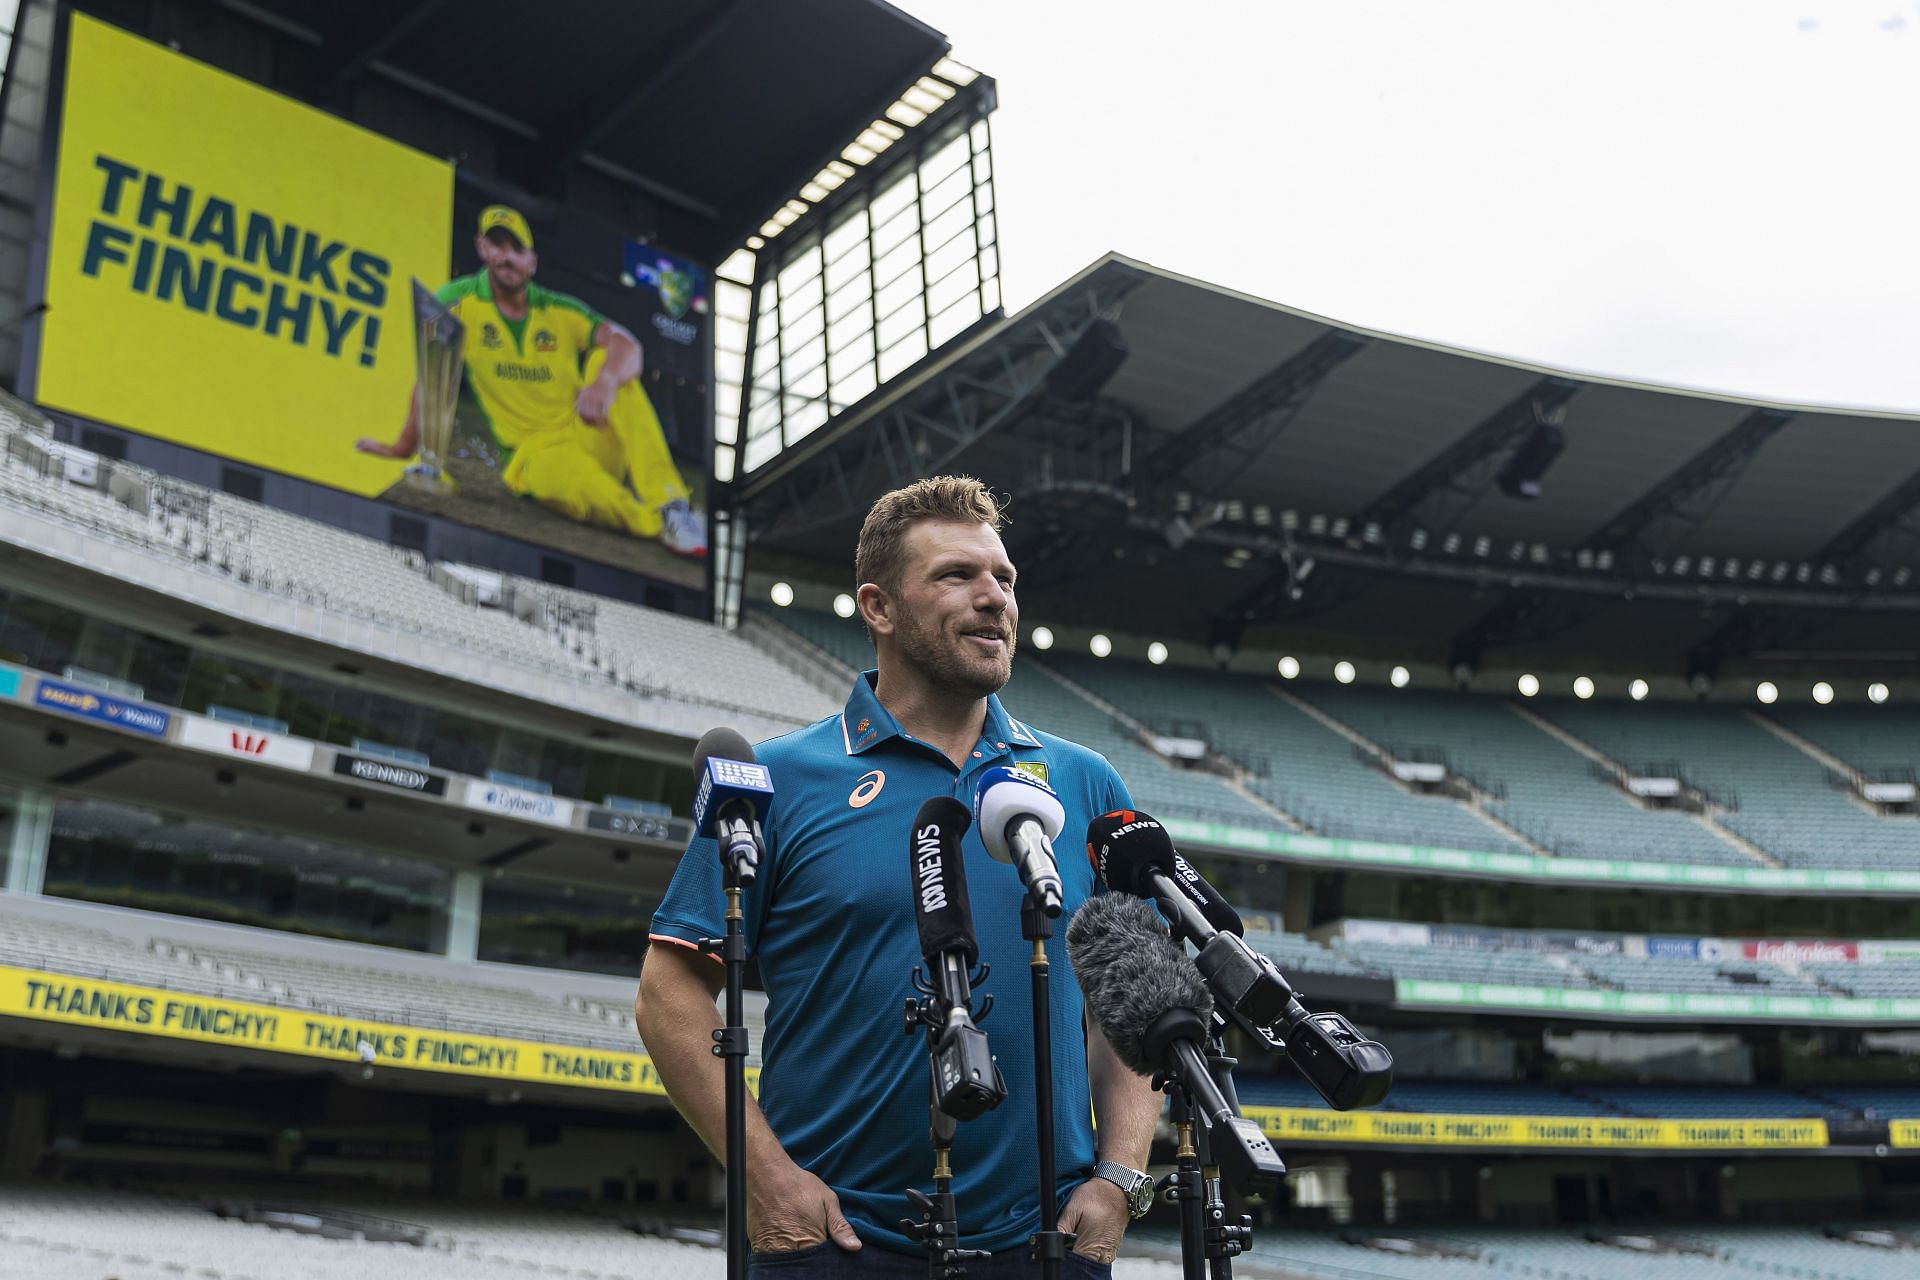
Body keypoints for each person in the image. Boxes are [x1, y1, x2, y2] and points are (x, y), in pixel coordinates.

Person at [635, 476, 1163, 1278]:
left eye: (1006, 579)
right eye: (957, 576)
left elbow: (1135, 1008)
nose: (995, 599)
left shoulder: (1082, 782)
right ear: (879, 607)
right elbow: (667, 996)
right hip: (833, 1241)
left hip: (1046, 1240)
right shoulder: (777, 777)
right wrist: (764, 1180)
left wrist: (1120, 1180)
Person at [356, 204, 706, 557]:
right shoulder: (457, 301)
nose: (507, 257)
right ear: (482, 247)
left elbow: (629, 345)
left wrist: (605, 382)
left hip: (587, 429)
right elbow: (433, 377)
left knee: (609, 360)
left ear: (532, 262)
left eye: (517, 249)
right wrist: (404, 446)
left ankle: (672, 505)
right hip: (536, 455)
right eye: (498, 245)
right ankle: (658, 524)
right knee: (587, 493)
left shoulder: (559, 310)